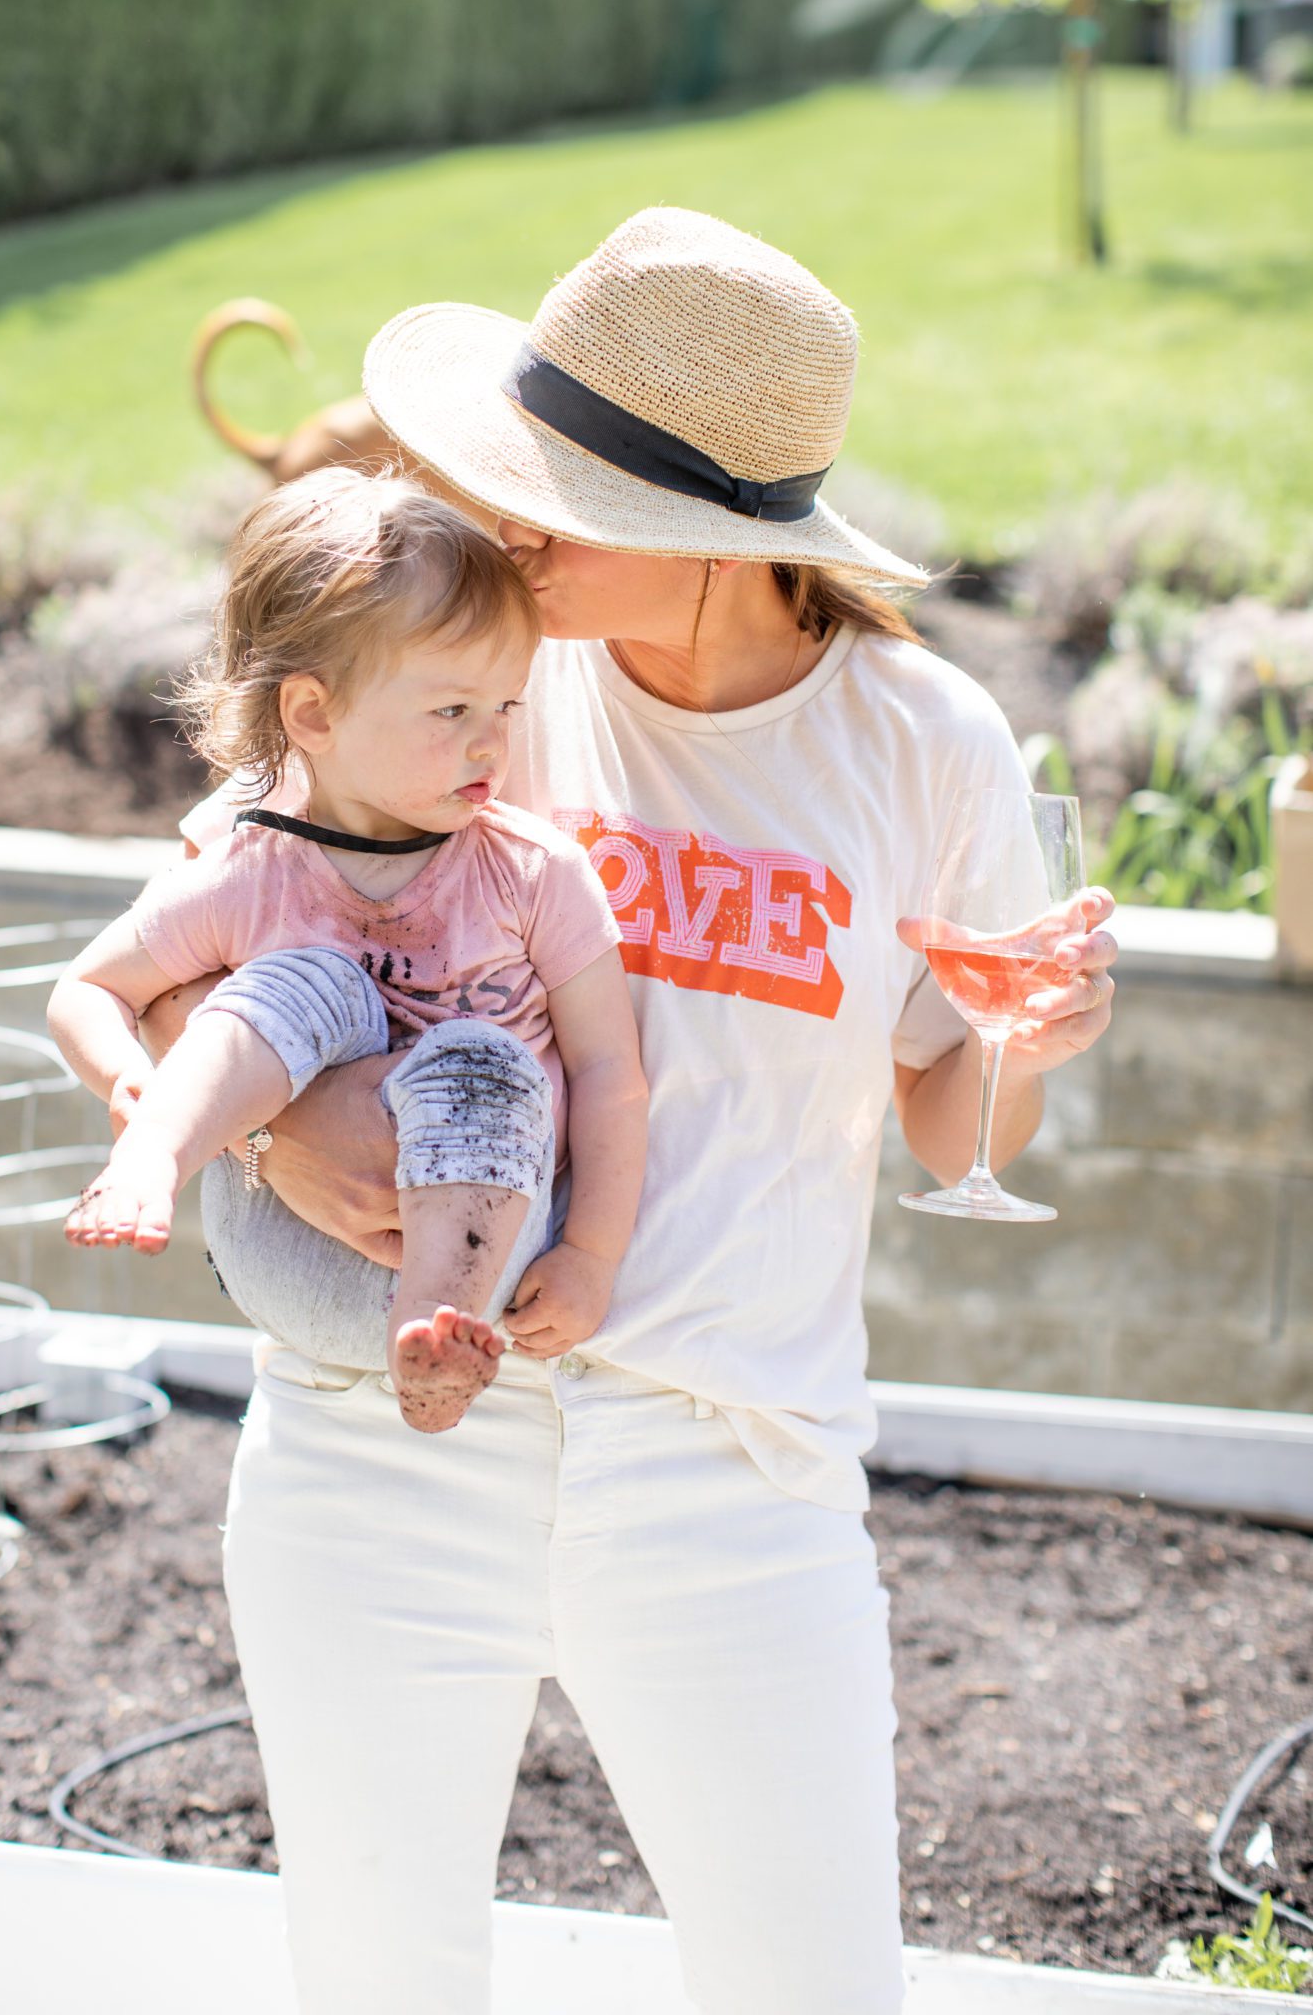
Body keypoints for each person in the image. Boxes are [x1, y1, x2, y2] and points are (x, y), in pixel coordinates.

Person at [153, 208, 1118, 2015]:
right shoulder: (463, 664)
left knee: (807, 1989)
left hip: (726, 1464)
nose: (498, 511)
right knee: (375, 1982)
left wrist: (1025, 1054)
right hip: (387, 1428)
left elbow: (944, 1122)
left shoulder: (925, 748)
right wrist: (284, 1126)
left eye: (554, 485)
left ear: (708, 537)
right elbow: (206, 945)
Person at [50, 469, 646, 1432]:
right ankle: (150, 1163)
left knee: (481, 1065)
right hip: (291, 1247)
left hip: (476, 1254)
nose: (490, 745)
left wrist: (590, 1256)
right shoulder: (253, 866)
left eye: (507, 709)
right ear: (314, 716)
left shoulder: (532, 874)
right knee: (301, 982)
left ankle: (432, 1354)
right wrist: (134, 1091)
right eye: (452, 712)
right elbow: (87, 990)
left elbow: (609, 1073)